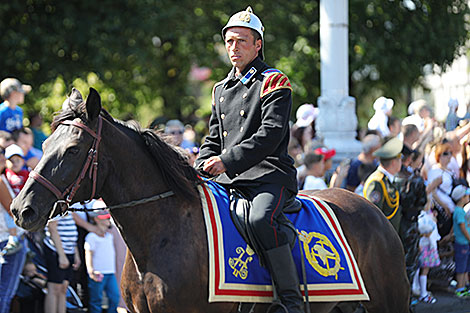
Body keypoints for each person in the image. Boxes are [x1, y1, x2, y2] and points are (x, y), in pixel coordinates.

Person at [195, 7, 302, 312]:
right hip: (229, 179)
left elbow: (270, 135)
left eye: (242, 41)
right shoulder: (219, 89)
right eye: (229, 41)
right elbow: (213, 139)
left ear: (257, 45)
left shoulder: (274, 81)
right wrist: (200, 165)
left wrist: (226, 161)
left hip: (269, 176)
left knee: (260, 218)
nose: (234, 47)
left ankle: (290, 301)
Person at [0, 146, 27, 313]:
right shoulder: (0, 181)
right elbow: (12, 210)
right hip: (9, 241)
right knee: (5, 293)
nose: (2, 157)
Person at [364, 137, 403, 232]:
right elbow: (374, 217)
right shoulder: (377, 182)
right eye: (400, 159)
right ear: (394, 162)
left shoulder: (388, 180)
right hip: (382, 238)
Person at [43, 212, 80, 313]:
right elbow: (52, 229)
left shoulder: (68, 208)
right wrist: (62, 255)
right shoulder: (56, 208)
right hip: (56, 251)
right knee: (54, 288)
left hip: (69, 251)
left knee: (64, 288)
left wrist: (76, 254)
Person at [84, 210, 120, 313]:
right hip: (98, 273)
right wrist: (91, 271)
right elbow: (88, 253)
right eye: (105, 218)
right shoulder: (91, 237)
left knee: (115, 297)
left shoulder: (109, 236)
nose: (108, 220)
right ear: (96, 219)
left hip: (110, 272)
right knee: (96, 301)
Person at [0, 144, 28, 255]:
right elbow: (12, 209)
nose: (2, 157)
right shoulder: (3, 179)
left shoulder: (6, 176)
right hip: (5, 240)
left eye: (2, 154)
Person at [416, 205, 440, 304]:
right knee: (424, 272)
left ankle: (420, 292)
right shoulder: (426, 240)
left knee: (418, 271)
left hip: (421, 251)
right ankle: (423, 294)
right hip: (426, 252)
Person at [452, 185, 470, 297]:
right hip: (462, 243)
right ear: (462, 198)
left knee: (465, 267)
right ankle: (460, 288)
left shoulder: (460, 211)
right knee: (461, 266)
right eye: (466, 195)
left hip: (465, 243)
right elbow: (463, 227)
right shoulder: (459, 212)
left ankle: (463, 287)